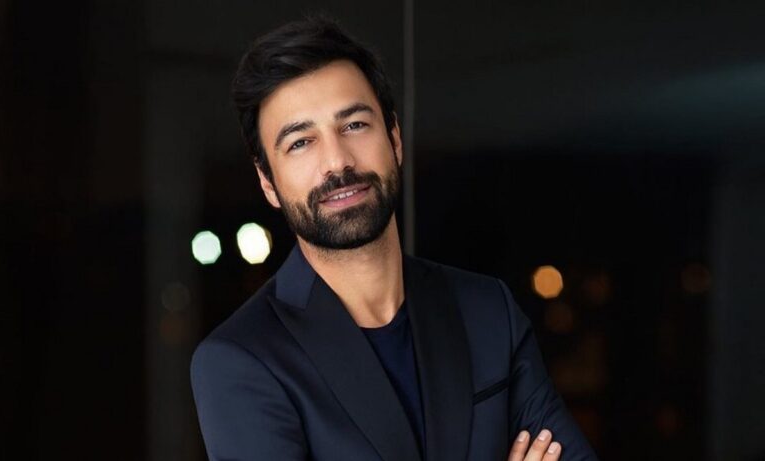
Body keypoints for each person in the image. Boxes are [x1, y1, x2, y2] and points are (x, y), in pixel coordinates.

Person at [190, 16, 598, 461]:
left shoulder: (486, 311)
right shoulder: (241, 361)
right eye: (301, 142)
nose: (337, 161)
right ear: (268, 182)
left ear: (395, 139)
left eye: (354, 125)